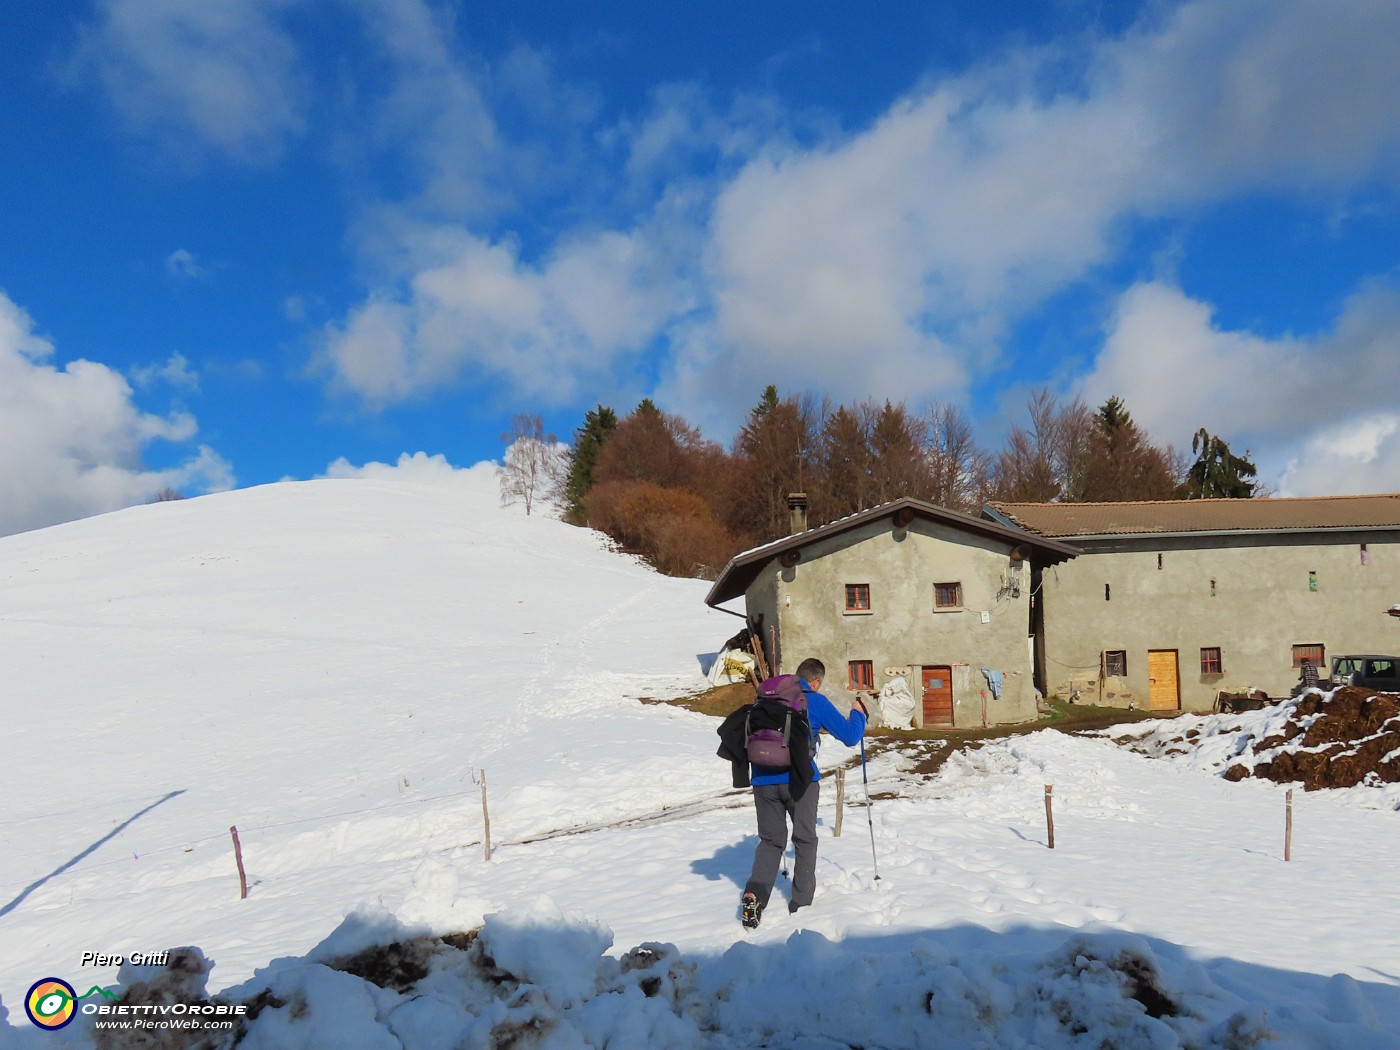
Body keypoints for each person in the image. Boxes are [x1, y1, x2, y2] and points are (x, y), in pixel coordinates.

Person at [740, 657, 867, 929]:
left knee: (771, 841)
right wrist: (858, 712)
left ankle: (754, 894)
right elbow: (850, 736)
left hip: (762, 778)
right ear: (816, 681)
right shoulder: (814, 700)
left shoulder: (767, 700)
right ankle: (801, 904)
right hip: (801, 781)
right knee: (805, 839)